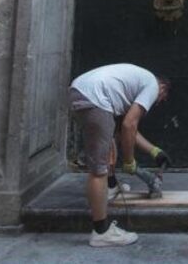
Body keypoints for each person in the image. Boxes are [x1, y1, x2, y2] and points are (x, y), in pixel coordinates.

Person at [69, 63, 171, 247]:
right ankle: (102, 232)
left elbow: (129, 127)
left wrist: (155, 151)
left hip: (81, 90)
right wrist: (129, 162)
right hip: (95, 97)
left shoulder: (136, 82)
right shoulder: (153, 86)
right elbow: (129, 125)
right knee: (99, 169)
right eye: (162, 98)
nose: (159, 102)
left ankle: (111, 187)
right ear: (162, 87)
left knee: (109, 149)